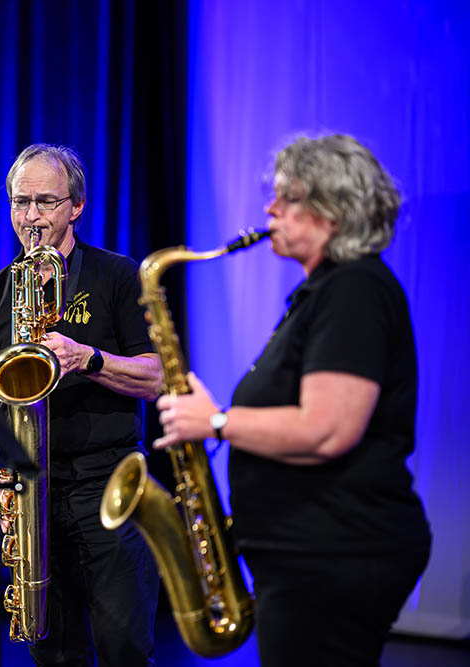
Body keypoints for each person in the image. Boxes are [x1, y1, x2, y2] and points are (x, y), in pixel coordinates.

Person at [155, 134, 432, 666]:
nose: (269, 209)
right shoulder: (327, 291)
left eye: (287, 197)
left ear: (333, 210)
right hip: (311, 554)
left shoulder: (354, 289)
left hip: (338, 554)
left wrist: (214, 421)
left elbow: (328, 429)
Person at [0, 144, 164, 666]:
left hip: (110, 485)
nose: (31, 218)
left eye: (46, 202)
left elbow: (160, 378)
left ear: (76, 206)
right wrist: (4, 490)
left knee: (126, 650)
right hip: (34, 495)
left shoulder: (119, 276)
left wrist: (88, 359)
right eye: (20, 202)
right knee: (53, 653)